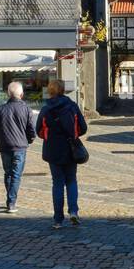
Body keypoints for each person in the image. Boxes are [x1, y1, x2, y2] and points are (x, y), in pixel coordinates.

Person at [36, 80, 88, 229]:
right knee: (71, 181)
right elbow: (83, 128)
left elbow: (38, 130)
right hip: (70, 149)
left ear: (50, 91)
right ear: (63, 90)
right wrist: (73, 135)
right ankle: (73, 212)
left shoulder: (46, 109)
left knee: (57, 183)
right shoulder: (72, 106)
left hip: (53, 150)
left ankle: (58, 220)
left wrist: (49, 137)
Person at [0, 81, 35, 213]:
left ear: (9, 94)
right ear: (21, 94)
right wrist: (30, 139)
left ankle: (10, 200)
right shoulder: (26, 109)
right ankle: (11, 202)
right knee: (16, 175)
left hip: (4, 146)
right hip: (20, 147)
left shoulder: (1, 109)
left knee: (8, 173)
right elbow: (31, 129)